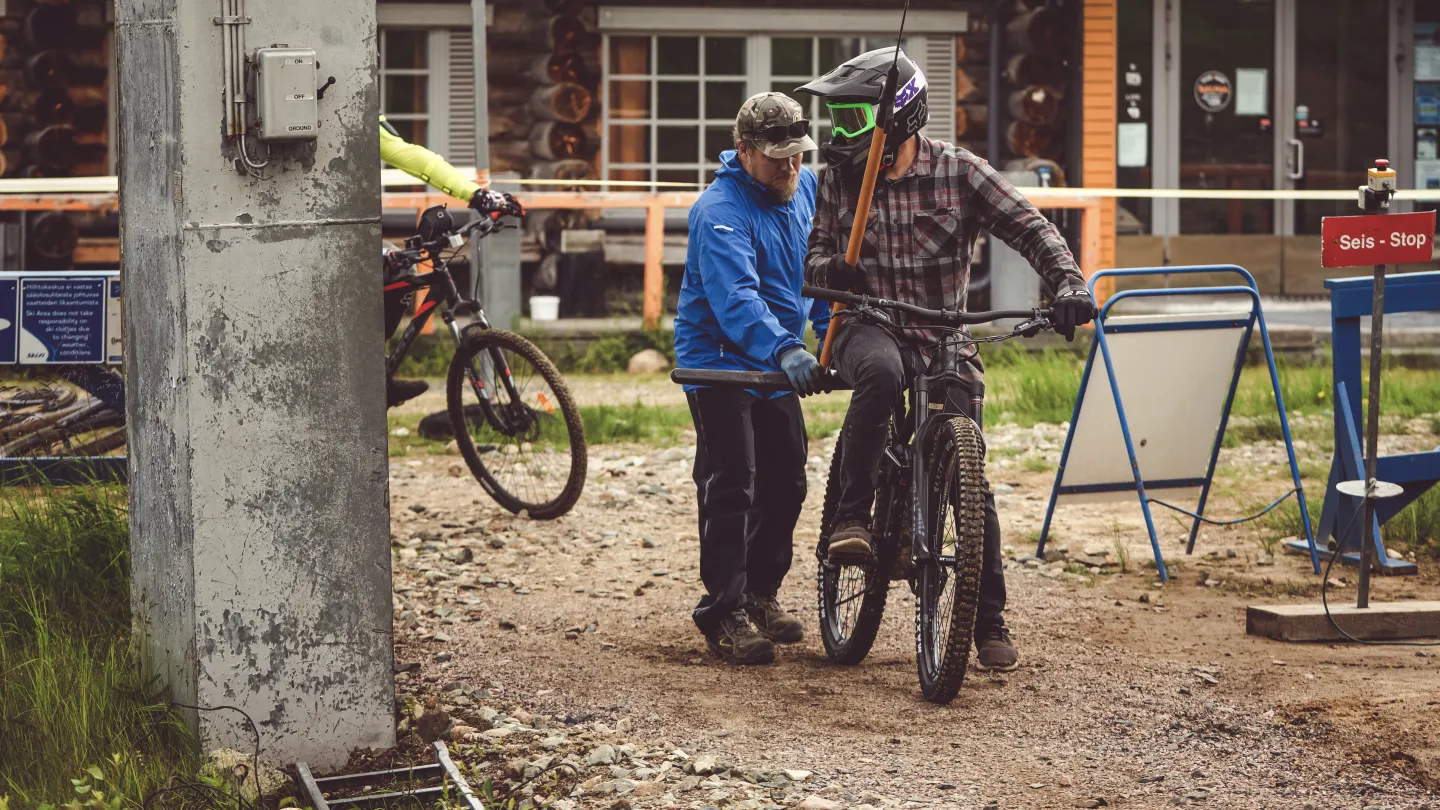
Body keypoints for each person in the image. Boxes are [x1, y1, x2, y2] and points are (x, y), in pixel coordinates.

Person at [796, 49, 1097, 672]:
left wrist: (1068, 286)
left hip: (945, 336)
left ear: (898, 119)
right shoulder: (836, 181)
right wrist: (837, 270)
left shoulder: (960, 172)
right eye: (837, 120)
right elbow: (812, 263)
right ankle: (852, 518)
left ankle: (986, 619)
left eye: (853, 120)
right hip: (866, 327)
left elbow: (1032, 228)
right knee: (881, 374)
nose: (838, 134)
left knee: (969, 470)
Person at [674, 93, 833, 665]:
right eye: (776, 158)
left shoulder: (805, 188)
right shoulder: (718, 211)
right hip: (716, 361)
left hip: (774, 362)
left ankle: (762, 593)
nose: (790, 167)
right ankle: (722, 611)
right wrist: (788, 348)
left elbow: (819, 272)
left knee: (787, 479)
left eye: (797, 155)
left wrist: (831, 331)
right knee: (732, 481)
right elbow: (736, 300)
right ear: (743, 152)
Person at [379, 114, 524, 407]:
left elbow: (413, 156)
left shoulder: (356, 112)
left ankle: (372, 371)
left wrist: (478, 196)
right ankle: (368, 372)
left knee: (397, 267)